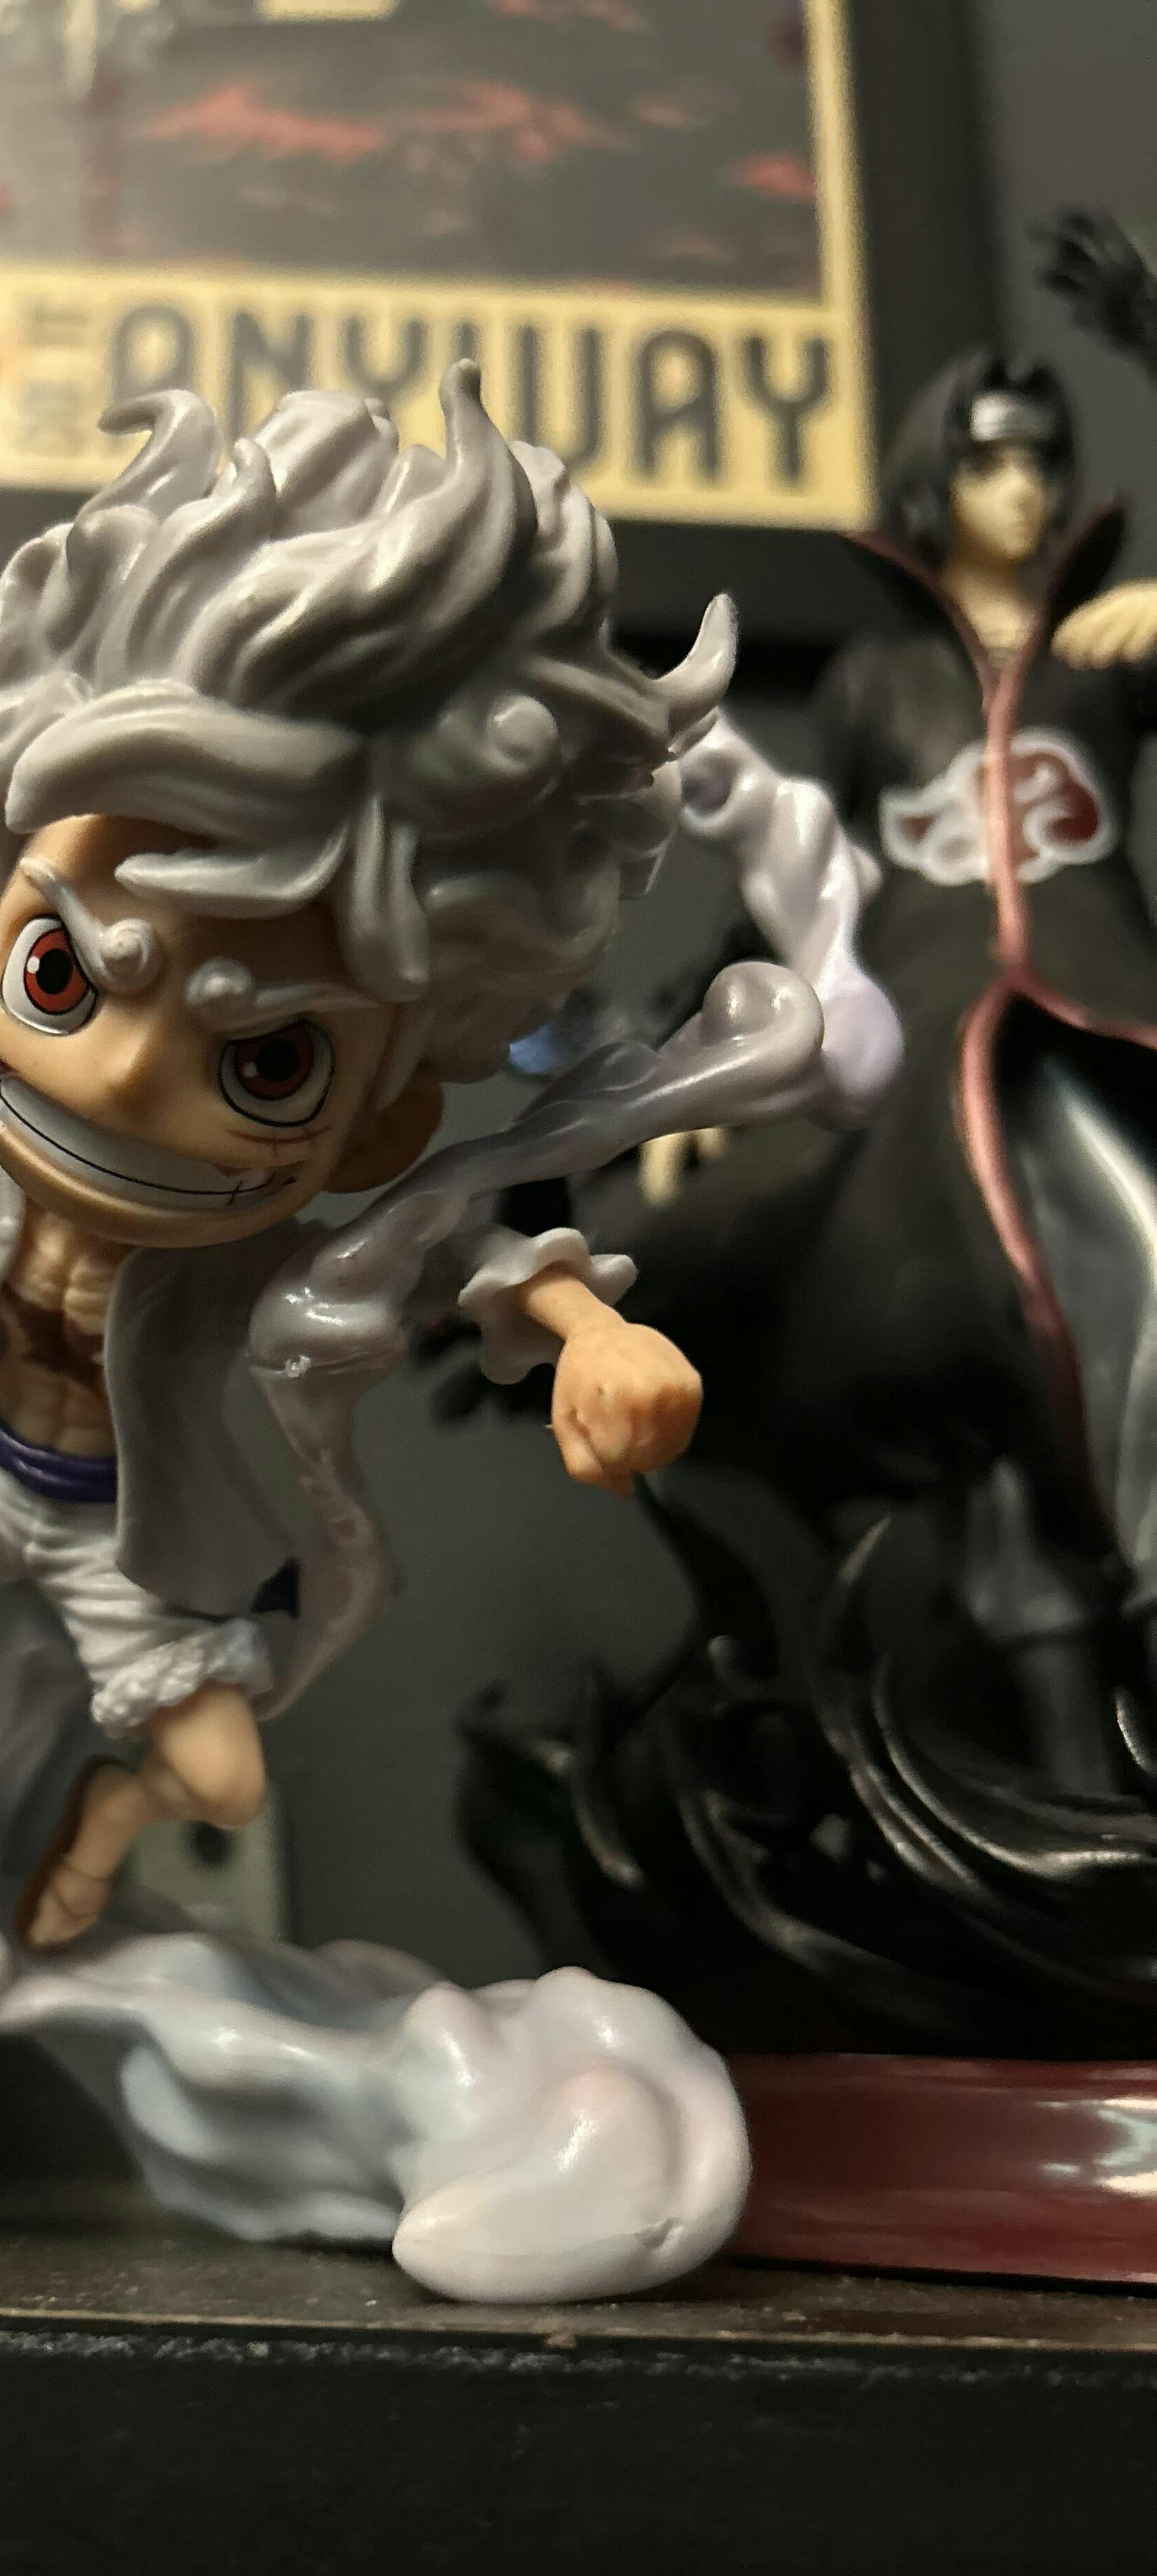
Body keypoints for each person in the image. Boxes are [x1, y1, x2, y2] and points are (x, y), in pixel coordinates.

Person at [0, 366, 730, 1946]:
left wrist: (591, 1330)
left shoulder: (258, 1248)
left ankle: (107, 1813)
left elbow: (454, 1251)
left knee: (221, 1780)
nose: (122, 1083)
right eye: (62, 974)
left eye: (266, 1061)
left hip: (120, 1543)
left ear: (376, 1119)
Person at [581, 349, 1157, 1790]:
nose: (1019, 490)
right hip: (926, 1065)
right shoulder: (875, 682)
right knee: (974, 1364)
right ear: (932, 481)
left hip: (1104, 1025)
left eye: (1039, 459)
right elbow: (799, 885)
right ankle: (1073, 1783)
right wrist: (708, 1054)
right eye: (986, 461)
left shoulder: (1106, 657)